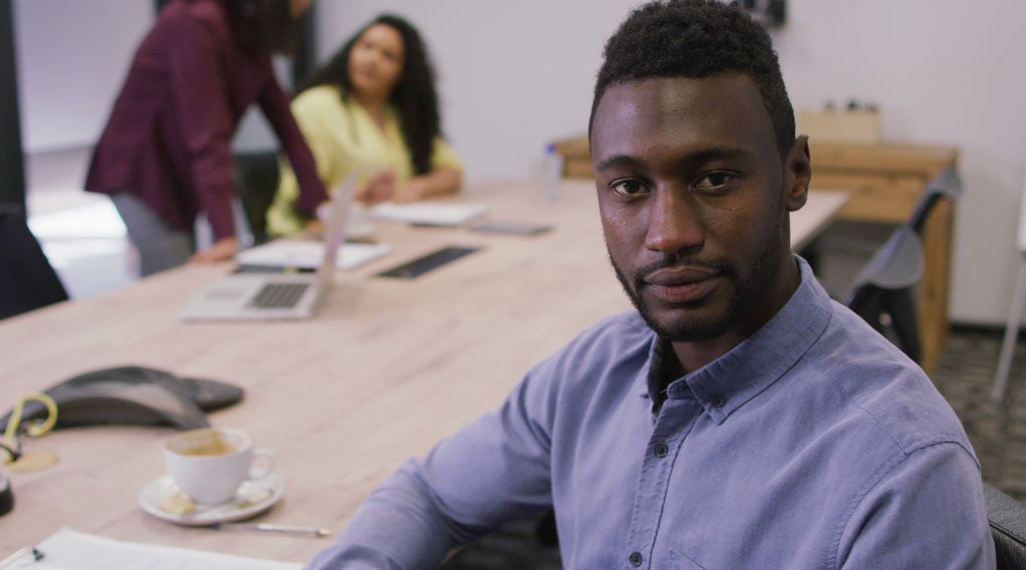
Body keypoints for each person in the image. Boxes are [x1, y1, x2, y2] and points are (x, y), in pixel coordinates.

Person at [309, 1, 994, 568]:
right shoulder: (590, 374)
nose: (667, 233)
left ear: (795, 174)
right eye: (630, 187)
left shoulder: (901, 469)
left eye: (714, 178)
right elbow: (429, 493)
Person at [85, 0, 327, 276]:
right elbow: (208, 135)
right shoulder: (196, 21)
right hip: (142, 171)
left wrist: (320, 203)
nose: (302, 9)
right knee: (176, 281)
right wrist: (224, 235)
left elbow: (287, 126)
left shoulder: (248, 34)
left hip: (178, 170)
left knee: (189, 279)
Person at [266, 14, 463, 238]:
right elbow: (302, 196)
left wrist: (414, 188)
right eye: (367, 46)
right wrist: (363, 194)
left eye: (387, 56)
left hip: (380, 234)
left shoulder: (399, 114)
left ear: (403, 72)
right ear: (351, 50)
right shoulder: (315, 107)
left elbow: (452, 171)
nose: (372, 59)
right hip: (308, 240)